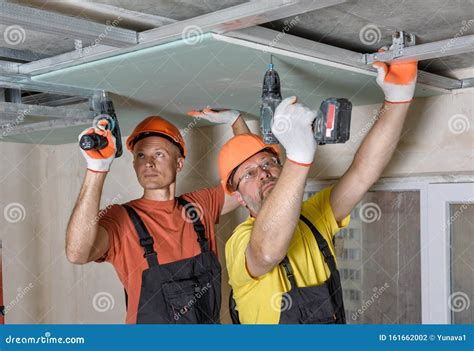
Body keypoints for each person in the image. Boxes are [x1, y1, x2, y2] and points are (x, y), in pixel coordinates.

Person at [219, 58, 418, 324]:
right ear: (238, 196)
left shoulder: (314, 218)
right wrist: (298, 157)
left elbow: (362, 173)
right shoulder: (240, 243)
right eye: (249, 174)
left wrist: (397, 100)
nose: (264, 173)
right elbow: (266, 252)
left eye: (268, 163)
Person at [66, 109, 249, 324]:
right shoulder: (121, 218)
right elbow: (77, 253)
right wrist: (96, 169)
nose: (148, 163)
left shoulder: (199, 206)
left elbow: (249, 179)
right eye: (141, 156)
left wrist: (236, 121)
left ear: (179, 163)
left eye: (158, 154)